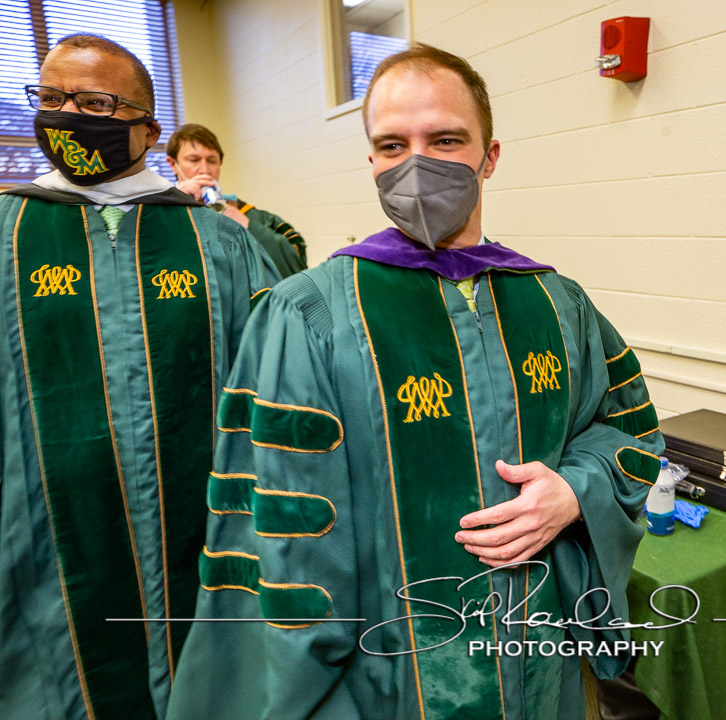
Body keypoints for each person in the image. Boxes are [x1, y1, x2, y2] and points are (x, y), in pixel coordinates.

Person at [168, 43, 663, 720]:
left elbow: (627, 428)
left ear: (490, 156)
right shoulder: (309, 315)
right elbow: (279, 545)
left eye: (446, 139)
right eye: (393, 144)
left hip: (543, 674)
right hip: (387, 688)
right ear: (371, 160)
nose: (417, 164)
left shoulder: (556, 303)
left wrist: (576, 490)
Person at [0, 34, 280, 720]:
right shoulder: (7, 230)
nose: (68, 115)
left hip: (209, 545)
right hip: (45, 561)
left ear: (149, 130)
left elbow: (278, 388)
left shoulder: (222, 241)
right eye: (52, 97)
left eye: (95, 101)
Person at [166, 123, 308, 277]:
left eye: (212, 161)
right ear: (173, 164)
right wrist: (173, 204)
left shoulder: (256, 217)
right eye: (193, 160)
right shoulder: (157, 215)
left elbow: (297, 268)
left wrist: (249, 227)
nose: (205, 169)